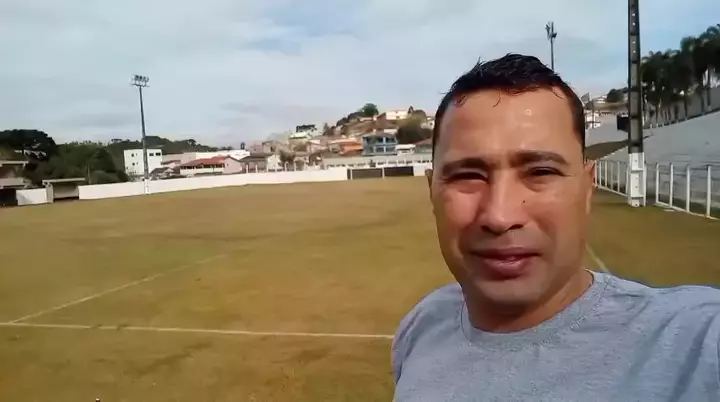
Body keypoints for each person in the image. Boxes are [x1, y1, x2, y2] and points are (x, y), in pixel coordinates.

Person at [391, 53, 720, 401]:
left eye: (541, 172)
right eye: (468, 175)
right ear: (431, 191)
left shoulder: (695, 342)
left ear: (587, 187)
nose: (500, 216)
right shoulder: (422, 326)